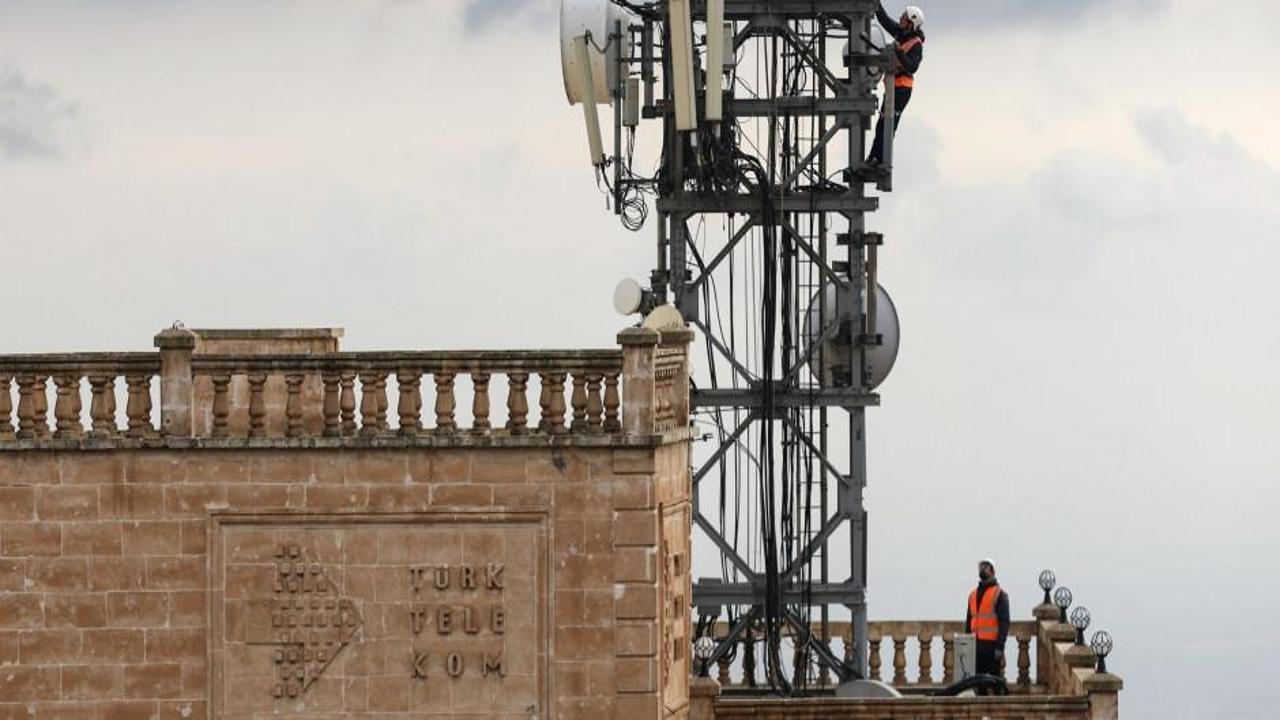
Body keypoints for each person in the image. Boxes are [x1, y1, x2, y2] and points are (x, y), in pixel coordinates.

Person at [866, 2, 925, 169]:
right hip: (893, 89)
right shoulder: (901, 34)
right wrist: (876, 3)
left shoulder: (916, 44)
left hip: (901, 90)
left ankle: (880, 160)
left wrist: (899, 52)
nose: (900, 18)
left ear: (911, 23)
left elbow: (912, 66)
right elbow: (884, 20)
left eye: (904, 17)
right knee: (882, 124)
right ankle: (874, 158)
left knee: (888, 125)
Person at [966, 558, 1010, 677]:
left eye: (986, 567)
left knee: (994, 683)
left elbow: (1004, 623)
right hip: (976, 646)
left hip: (992, 647)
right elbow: (969, 622)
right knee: (979, 684)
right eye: (981, 567)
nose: (982, 569)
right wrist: (967, 644)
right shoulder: (972, 595)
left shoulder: (999, 594)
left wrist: (1000, 647)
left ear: (992, 571)